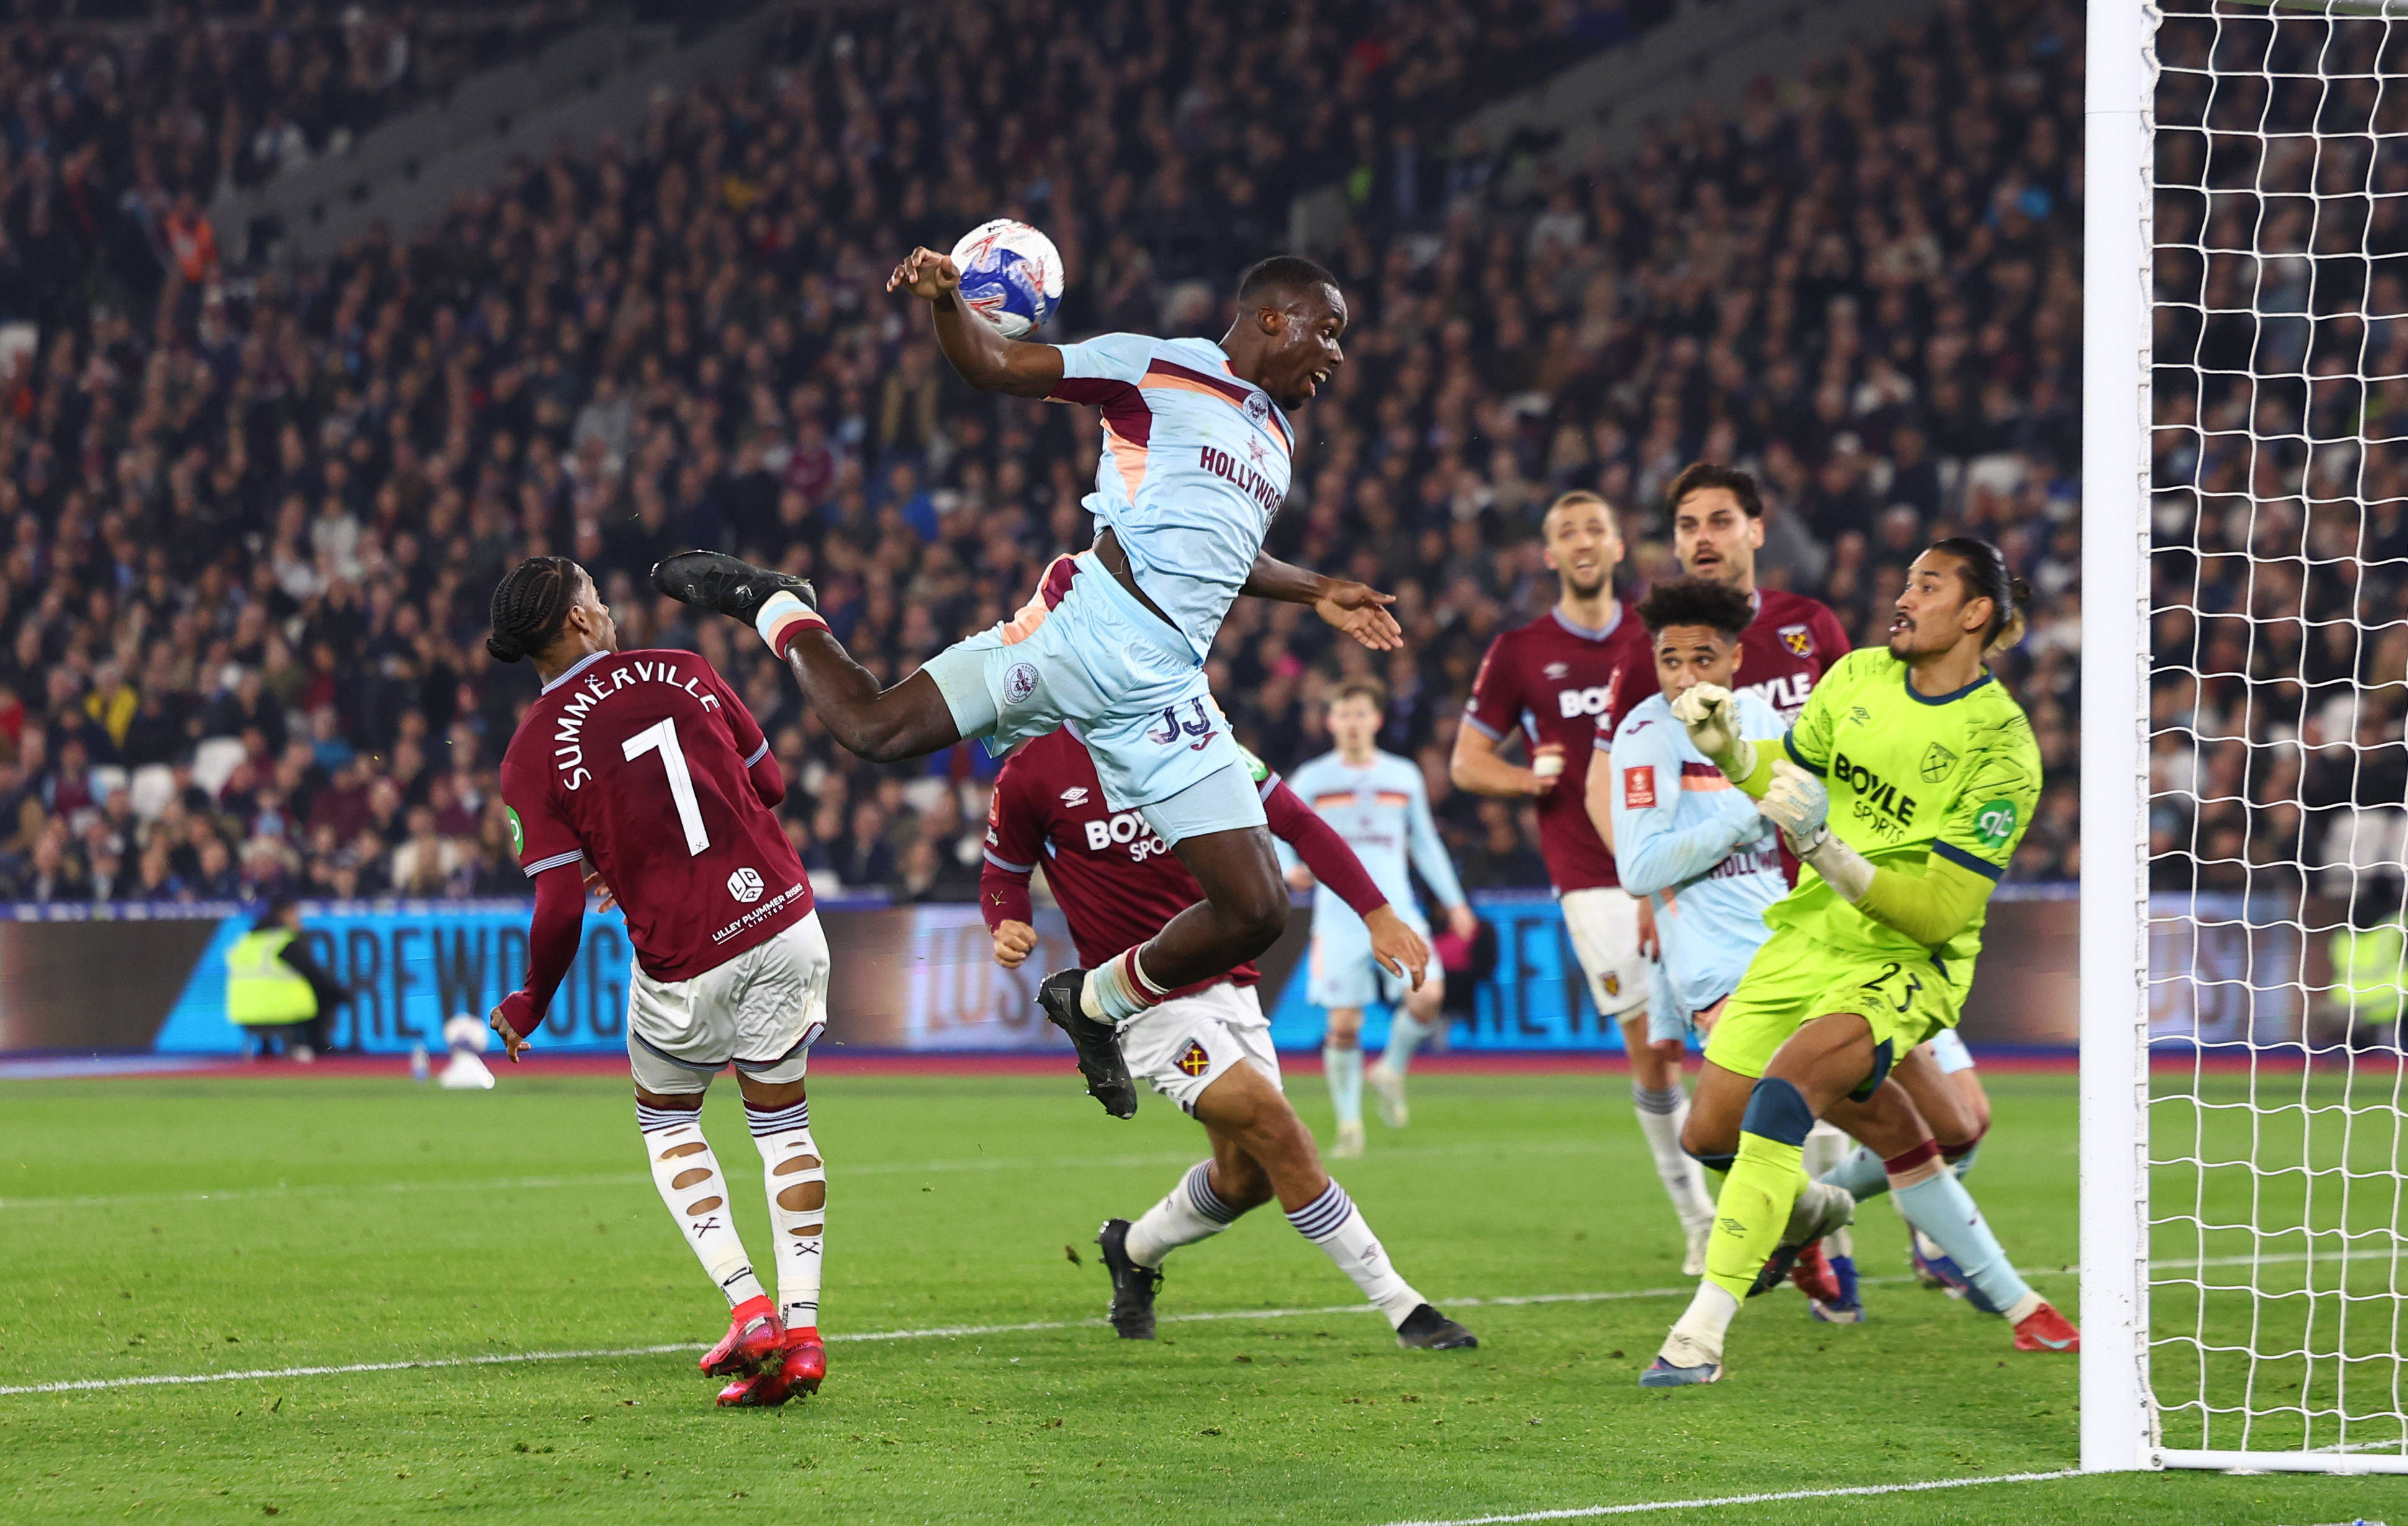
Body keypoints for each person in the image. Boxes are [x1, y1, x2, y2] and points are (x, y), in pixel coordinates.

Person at [656, 252, 1397, 1121]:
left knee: (1257, 906)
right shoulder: (1152, 365)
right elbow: (997, 364)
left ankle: (1090, 1003)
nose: (1337, 354)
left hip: (1164, 690)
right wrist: (944, 307)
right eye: (1328, 329)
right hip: (1078, 635)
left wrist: (1317, 588)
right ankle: (775, 603)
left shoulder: (1275, 435)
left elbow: (1225, 553)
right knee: (873, 729)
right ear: (1273, 317)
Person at [1641, 538, 2079, 1387]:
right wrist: (1732, 748)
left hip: (1903, 957)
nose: (1902, 594)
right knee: (1707, 1132)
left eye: (1926, 582)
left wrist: (1830, 851)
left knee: (1787, 1093)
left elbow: (1937, 908)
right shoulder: (1856, 677)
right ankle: (1998, 1290)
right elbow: (1792, 783)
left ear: (1974, 611)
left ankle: (1699, 1331)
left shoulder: (2000, 747)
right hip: (1809, 931)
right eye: (1904, 577)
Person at [980, 725, 1477, 1350]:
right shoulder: (1033, 768)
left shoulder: (1190, 728)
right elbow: (1003, 869)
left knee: (1248, 1178)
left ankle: (1131, 1248)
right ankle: (1408, 1310)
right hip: (1142, 1001)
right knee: (1280, 1130)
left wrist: (1376, 912)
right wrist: (1007, 921)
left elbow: (1298, 821)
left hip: (1230, 984)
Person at [480, 556, 831, 1409]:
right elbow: (770, 785)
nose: (606, 607)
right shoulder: (685, 668)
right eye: (594, 596)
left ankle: (750, 1308)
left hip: (687, 951)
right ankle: (805, 1327)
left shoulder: (530, 753)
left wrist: (529, 1000)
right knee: (781, 1120)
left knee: (669, 1119)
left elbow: (560, 907)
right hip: (783, 918)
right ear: (573, 620)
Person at [1449, 491, 1708, 1265]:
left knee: (1741, 1035)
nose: (1583, 541)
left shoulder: (1659, 636)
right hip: (1592, 875)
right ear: (1549, 555)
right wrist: (1527, 777)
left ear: (1620, 545)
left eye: (1596, 527)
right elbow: (1467, 762)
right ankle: (1699, 1217)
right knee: (1656, 1050)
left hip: (1688, 857)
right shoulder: (1522, 650)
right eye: (1567, 532)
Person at [1283, 680, 1477, 1157]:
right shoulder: (1313, 778)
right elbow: (1272, 823)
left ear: (1376, 719)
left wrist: (1454, 902)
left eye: (1360, 714)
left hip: (1398, 910)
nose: (1352, 723)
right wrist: (1289, 868)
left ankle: (1390, 1068)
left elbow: (1425, 843)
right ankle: (1349, 1123)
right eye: (1343, 715)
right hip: (1338, 915)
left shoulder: (1402, 775)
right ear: (1330, 722)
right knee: (1344, 1024)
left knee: (1429, 993)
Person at [225, 899, 349, 1061]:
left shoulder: (244, 943)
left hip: (244, 1015)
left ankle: (266, 1048)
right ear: (286, 915)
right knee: (326, 994)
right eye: (297, 915)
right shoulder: (283, 943)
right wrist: (344, 996)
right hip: (282, 1013)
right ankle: (318, 1047)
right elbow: (316, 977)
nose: (300, 920)